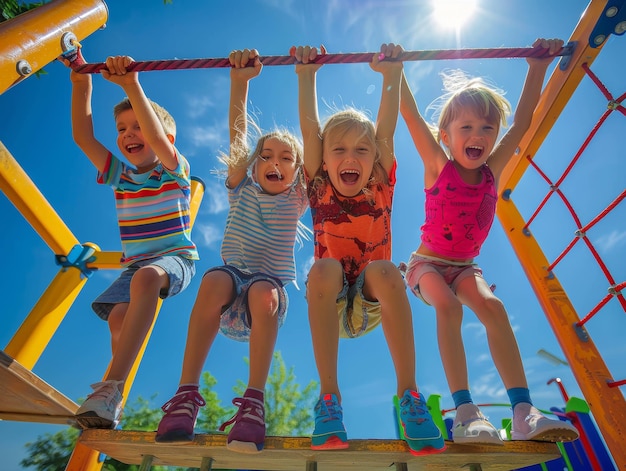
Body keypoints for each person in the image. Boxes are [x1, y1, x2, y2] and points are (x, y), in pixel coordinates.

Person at [399, 38, 580, 444]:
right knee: (447, 307)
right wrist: (395, 71)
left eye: (486, 128)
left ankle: (522, 411)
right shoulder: (438, 167)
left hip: (465, 267)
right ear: (445, 136)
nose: (478, 134)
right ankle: (465, 410)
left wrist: (536, 66)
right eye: (466, 127)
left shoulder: (492, 171)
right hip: (425, 265)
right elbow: (409, 115)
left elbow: (522, 124)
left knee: (493, 307)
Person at [292, 44, 445, 456]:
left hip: (373, 301)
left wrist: (390, 74)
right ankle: (329, 400)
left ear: (375, 159)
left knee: (386, 270)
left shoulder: (380, 185)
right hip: (332, 302)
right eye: (338, 149)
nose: (350, 157)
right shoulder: (319, 186)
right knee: (322, 269)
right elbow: (310, 130)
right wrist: (307, 74)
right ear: (323, 161)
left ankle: (410, 397)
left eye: (362, 150)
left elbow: (386, 132)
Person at [155, 48, 309, 454]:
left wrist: (305, 74)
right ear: (253, 166)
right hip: (229, 295)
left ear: (297, 172)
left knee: (262, 290)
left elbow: (312, 137)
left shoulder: (298, 198)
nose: (275, 162)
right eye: (266, 156)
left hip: (266, 297)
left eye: (286, 158)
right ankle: (186, 396)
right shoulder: (241, 188)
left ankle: (253, 404)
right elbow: (238, 136)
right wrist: (240, 82)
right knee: (216, 277)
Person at [62, 54, 199, 429]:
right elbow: (83, 136)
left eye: (138, 125)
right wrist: (81, 82)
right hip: (136, 267)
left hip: (174, 260)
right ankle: (112, 405)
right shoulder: (120, 175)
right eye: (122, 129)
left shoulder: (174, 169)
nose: (128, 135)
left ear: (166, 138)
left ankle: (110, 390)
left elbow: (157, 137)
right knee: (119, 320)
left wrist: (131, 84)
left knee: (146, 279)